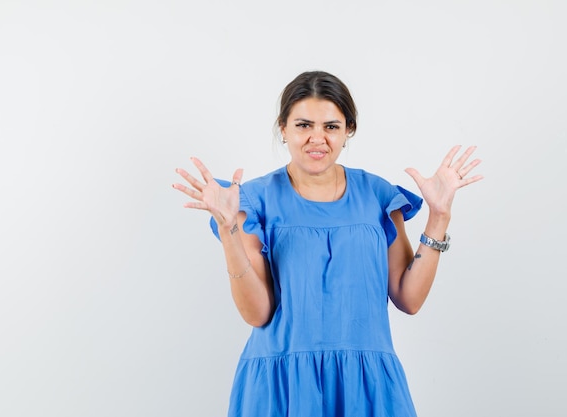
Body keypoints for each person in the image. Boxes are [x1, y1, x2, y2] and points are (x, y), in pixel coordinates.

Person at [172, 71, 483, 417]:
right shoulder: (253, 200)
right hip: (282, 388)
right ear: (283, 128)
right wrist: (228, 229)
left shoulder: (377, 196)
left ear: (348, 130)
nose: (317, 138)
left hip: (367, 387)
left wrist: (439, 217)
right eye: (303, 125)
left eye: (331, 127)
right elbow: (256, 312)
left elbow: (408, 299)